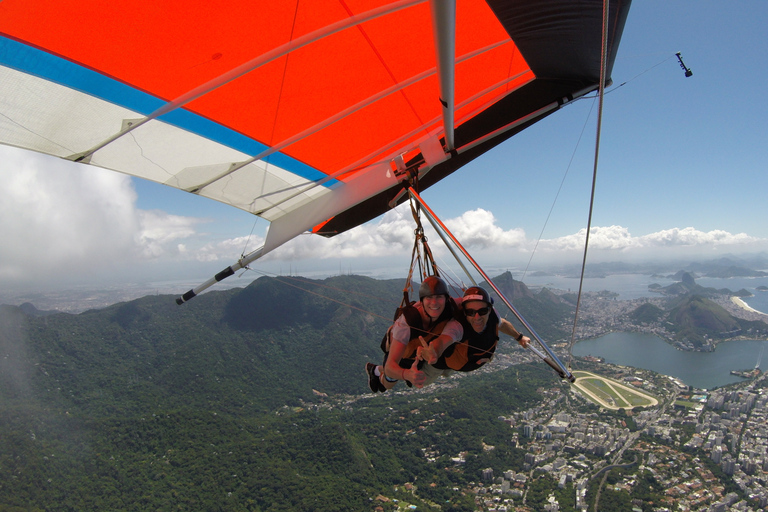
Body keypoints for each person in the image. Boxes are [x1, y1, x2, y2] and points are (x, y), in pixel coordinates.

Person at [366, 276, 463, 392]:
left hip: (420, 352)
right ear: (422, 301)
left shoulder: (450, 308)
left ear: (446, 298)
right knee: (388, 384)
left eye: (439, 297)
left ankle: (377, 369)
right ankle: (375, 371)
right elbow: (391, 366)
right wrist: (407, 374)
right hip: (402, 352)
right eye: (429, 298)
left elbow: (472, 301)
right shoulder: (407, 322)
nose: (434, 302)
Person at [432, 286, 529, 373]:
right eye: (470, 312)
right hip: (443, 363)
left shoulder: (493, 315)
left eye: (482, 311)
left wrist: (519, 337)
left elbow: (502, 324)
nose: (477, 317)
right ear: (465, 313)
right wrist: (434, 351)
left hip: (473, 360)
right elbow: (444, 339)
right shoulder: (457, 326)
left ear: (489, 310)